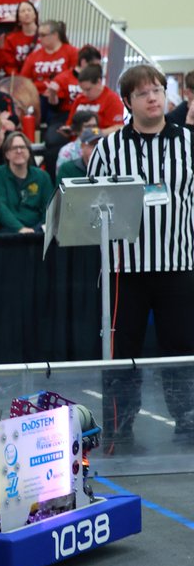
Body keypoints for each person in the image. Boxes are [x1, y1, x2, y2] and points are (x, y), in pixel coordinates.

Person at [87, 65, 194, 449]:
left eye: (158, 90)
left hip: (179, 264)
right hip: (124, 268)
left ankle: (188, 416)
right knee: (122, 350)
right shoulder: (109, 147)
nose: (153, 97)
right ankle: (119, 421)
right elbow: (91, 201)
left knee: (182, 346)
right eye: (144, 93)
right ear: (128, 102)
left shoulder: (189, 143)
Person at [0, 131, 53, 233]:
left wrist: (40, 228)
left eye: (22, 147)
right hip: (8, 231)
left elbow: (49, 208)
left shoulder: (42, 176)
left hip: (38, 230)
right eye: (14, 148)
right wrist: (20, 229)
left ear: (29, 152)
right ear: (7, 154)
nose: (19, 151)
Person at [1, 0, 40, 76]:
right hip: (19, 79)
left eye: (29, 10)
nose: (26, 13)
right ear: (18, 17)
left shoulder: (45, 35)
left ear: (35, 15)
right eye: (22, 11)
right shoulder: (11, 39)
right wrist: (18, 80)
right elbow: (9, 64)